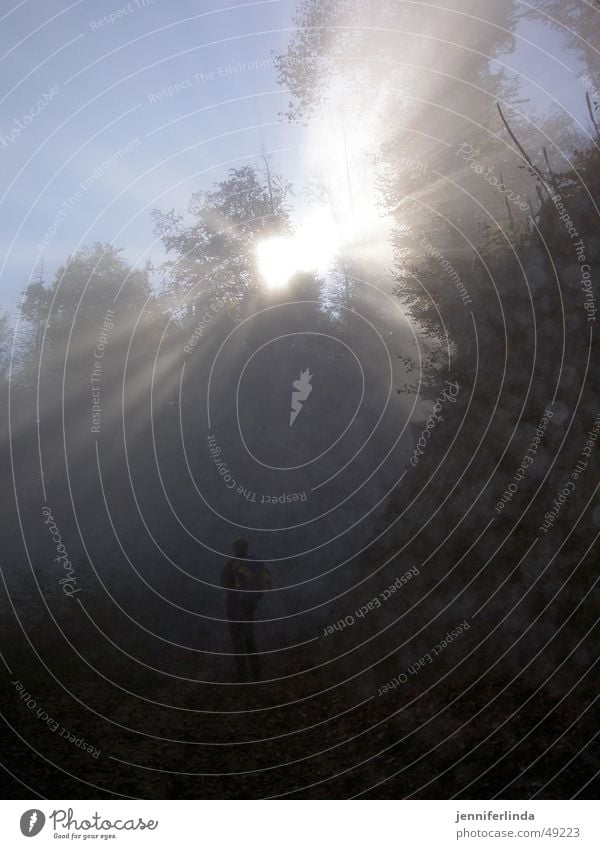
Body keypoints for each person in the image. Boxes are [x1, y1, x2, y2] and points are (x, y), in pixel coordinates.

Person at [221, 538, 271, 681]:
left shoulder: (231, 564)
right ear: (247, 548)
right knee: (249, 639)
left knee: (238, 642)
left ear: (236, 549)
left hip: (234, 607)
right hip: (248, 607)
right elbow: (266, 582)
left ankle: (242, 677)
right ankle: (256, 674)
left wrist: (232, 591)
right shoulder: (255, 564)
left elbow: (223, 583)